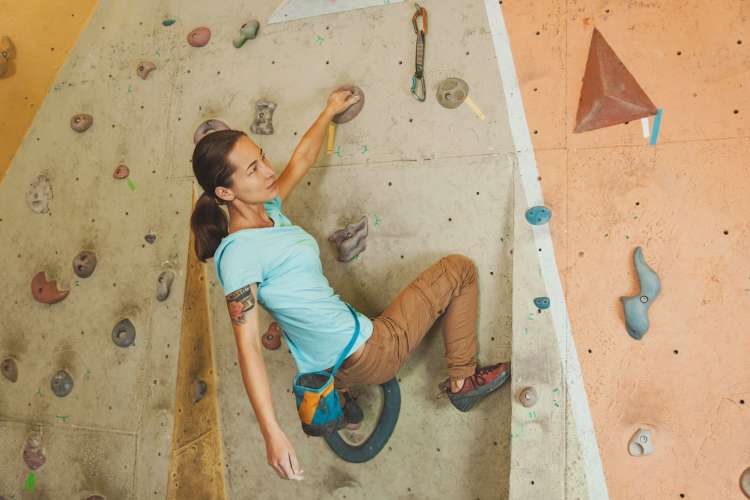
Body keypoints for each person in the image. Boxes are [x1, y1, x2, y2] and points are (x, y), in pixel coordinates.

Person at [189, 88, 511, 481]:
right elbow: (248, 349)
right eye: (252, 170)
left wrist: (328, 111)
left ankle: (342, 403)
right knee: (458, 271)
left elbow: (300, 161)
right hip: (370, 352)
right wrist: (272, 433)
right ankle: (463, 380)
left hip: (327, 364)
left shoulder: (266, 208)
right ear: (225, 192)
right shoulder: (238, 254)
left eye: (262, 158)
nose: (268, 171)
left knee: (340, 332)